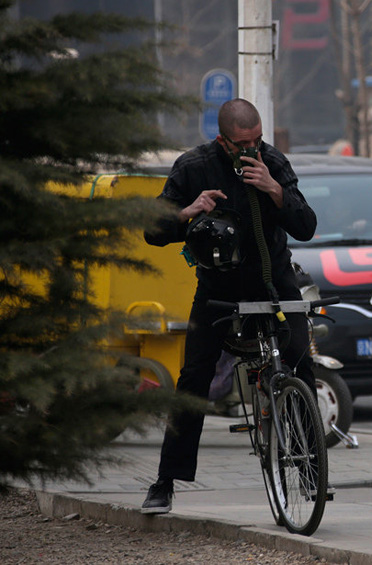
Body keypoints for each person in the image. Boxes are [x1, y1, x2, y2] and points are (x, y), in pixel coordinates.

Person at [140, 98, 318, 515]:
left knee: (299, 363)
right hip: (219, 290)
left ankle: (310, 469)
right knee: (194, 378)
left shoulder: (273, 162)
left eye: (257, 140)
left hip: (274, 282)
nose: (252, 149)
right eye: (243, 143)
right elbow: (152, 231)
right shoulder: (193, 166)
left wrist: (274, 189)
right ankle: (166, 481)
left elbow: (306, 227)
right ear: (223, 140)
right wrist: (189, 211)